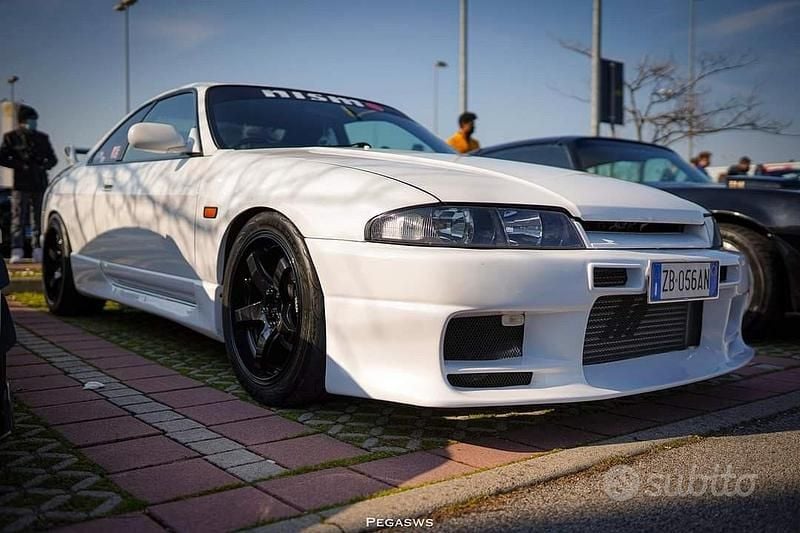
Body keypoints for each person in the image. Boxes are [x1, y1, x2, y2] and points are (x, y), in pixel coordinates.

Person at [0, 105, 57, 263]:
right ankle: (16, 249)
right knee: (18, 217)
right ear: (22, 122)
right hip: (21, 184)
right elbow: (2, 157)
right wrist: (19, 165)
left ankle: (37, 248)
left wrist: (42, 165)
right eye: (30, 120)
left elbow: (53, 159)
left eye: (34, 121)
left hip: (39, 183)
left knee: (38, 217)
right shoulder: (11, 138)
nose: (33, 123)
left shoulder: (42, 138)